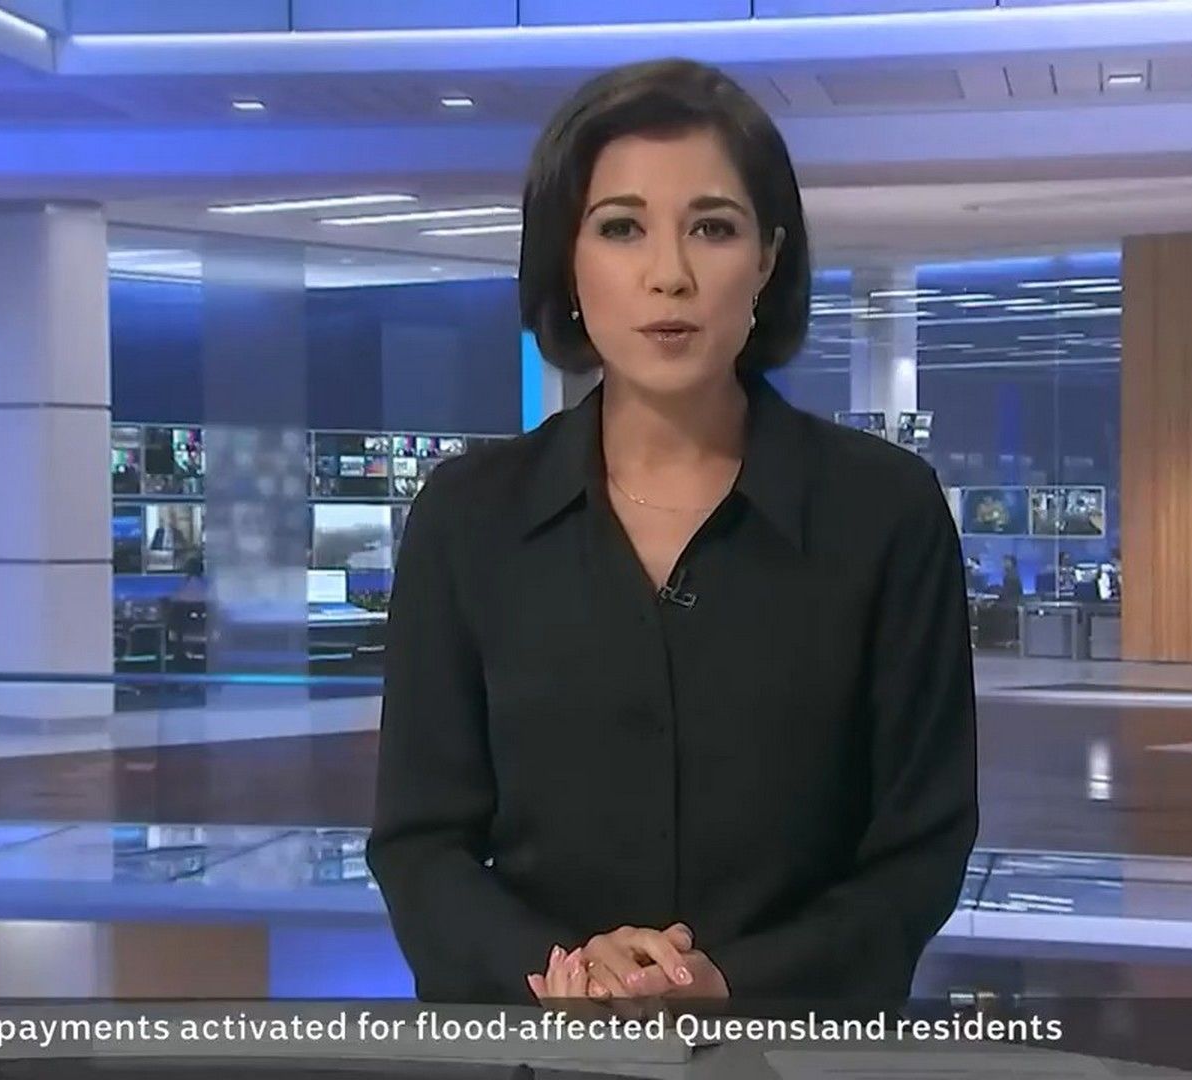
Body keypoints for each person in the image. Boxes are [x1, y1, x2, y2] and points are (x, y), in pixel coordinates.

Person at [366, 58, 978, 1014]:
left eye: (713, 228)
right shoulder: (467, 517)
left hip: (798, 1053)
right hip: (535, 1046)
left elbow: (920, 852)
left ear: (767, 259)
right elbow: (420, 845)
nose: (670, 275)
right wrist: (560, 971)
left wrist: (730, 983)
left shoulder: (886, 513)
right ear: (567, 260)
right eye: (621, 228)